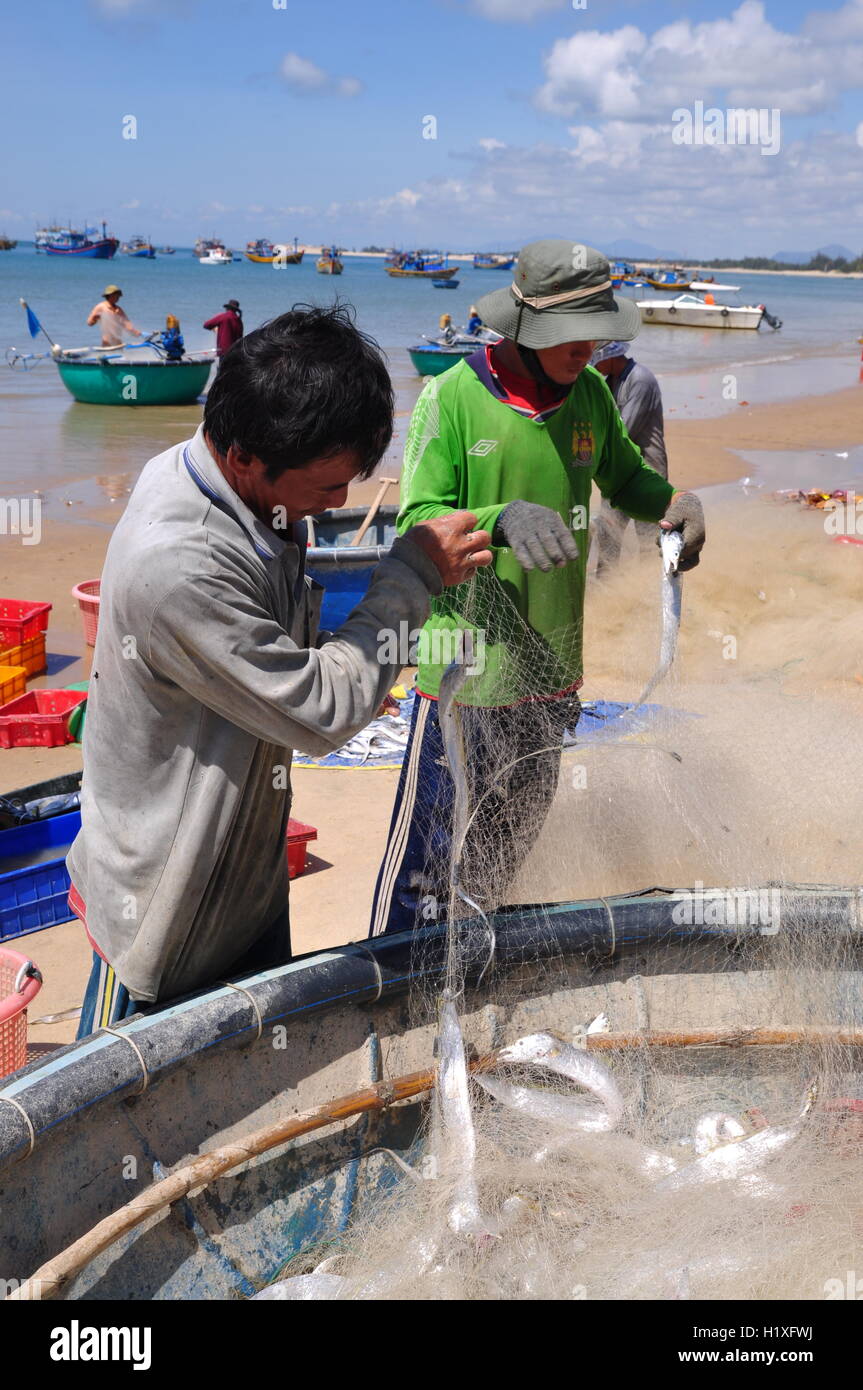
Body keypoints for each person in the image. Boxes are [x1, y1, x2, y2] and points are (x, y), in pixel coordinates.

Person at [68, 306, 492, 1035]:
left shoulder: (222, 479)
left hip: (239, 874)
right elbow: (321, 712)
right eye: (326, 490)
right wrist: (410, 578)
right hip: (174, 913)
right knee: (174, 1112)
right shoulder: (179, 564)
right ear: (243, 458)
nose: (339, 505)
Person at [369, 239, 705, 937]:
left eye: (595, 331)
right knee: (430, 871)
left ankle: (469, 977)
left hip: (550, 674)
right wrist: (498, 519)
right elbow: (416, 520)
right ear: (522, 329)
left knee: (504, 850)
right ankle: (404, 995)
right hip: (465, 678)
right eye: (569, 334)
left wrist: (673, 501)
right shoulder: (450, 398)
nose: (586, 347)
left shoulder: (588, 395)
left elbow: (623, 478)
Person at [590, 341, 669, 573]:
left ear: (610, 356)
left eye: (595, 361)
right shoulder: (609, 382)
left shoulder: (641, 380)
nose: (593, 367)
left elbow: (622, 431)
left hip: (646, 473)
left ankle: (647, 589)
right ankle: (607, 587)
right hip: (619, 471)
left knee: (648, 540)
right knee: (607, 533)